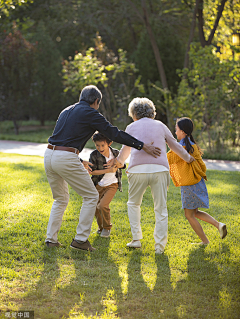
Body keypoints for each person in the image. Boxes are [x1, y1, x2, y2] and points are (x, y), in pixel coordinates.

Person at [44, 85, 161, 252]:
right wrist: (141, 146)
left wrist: (77, 159)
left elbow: (61, 139)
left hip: (49, 155)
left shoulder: (66, 110)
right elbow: (114, 134)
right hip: (65, 157)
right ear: (96, 101)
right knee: (91, 195)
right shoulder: (91, 113)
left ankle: (51, 240)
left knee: (60, 199)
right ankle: (80, 239)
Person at [114, 98, 195, 254]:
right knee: (161, 208)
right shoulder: (160, 125)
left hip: (137, 171)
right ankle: (159, 247)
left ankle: (136, 239)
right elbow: (175, 145)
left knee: (133, 204)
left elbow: (125, 149)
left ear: (133, 113)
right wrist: (188, 158)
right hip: (159, 170)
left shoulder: (131, 126)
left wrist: (118, 162)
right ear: (152, 112)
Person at [167, 117, 227, 245]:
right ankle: (218, 224)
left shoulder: (182, 147)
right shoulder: (191, 145)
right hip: (197, 183)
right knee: (195, 212)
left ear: (182, 131)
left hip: (189, 185)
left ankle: (205, 241)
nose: (175, 132)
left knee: (189, 215)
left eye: (176, 130)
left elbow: (167, 158)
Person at [89, 132, 125, 238]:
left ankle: (107, 228)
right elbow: (92, 172)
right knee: (96, 208)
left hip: (112, 184)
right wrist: (108, 170)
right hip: (98, 185)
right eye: (97, 145)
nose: (100, 148)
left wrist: (118, 164)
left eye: (102, 145)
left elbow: (123, 165)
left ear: (109, 143)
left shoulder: (116, 153)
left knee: (102, 205)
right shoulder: (94, 155)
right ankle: (101, 228)